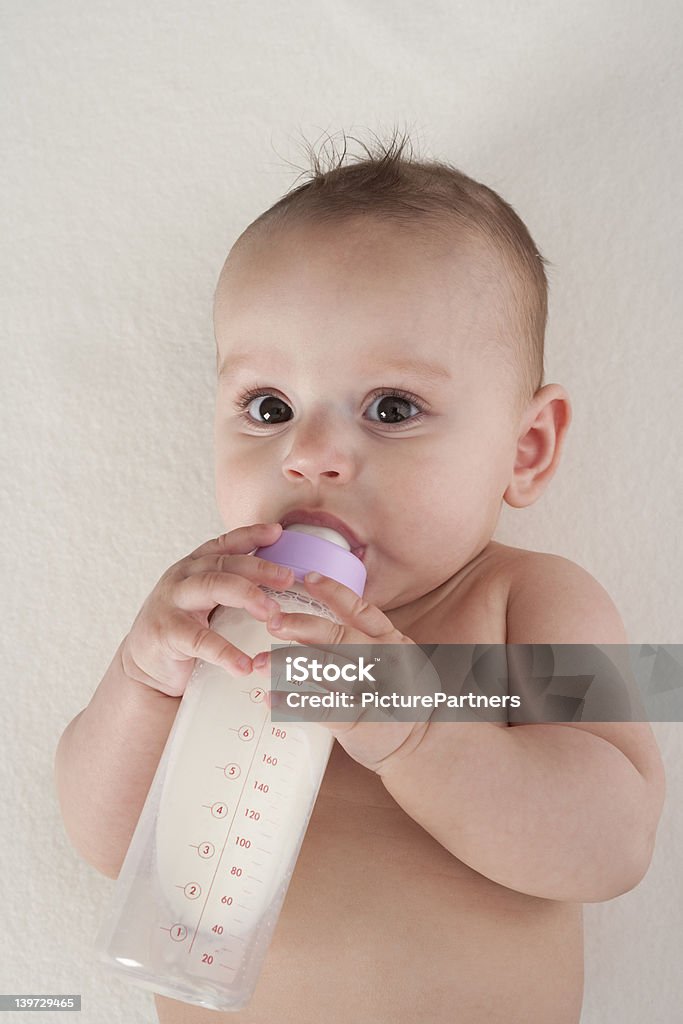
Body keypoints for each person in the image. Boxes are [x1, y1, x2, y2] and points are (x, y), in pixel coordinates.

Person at [54, 129, 666, 1024]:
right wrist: (142, 681)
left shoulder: (525, 601)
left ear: (525, 449)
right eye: (269, 408)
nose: (308, 455)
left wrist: (415, 726)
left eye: (391, 408)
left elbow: (614, 843)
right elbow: (106, 842)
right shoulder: (220, 615)